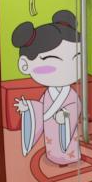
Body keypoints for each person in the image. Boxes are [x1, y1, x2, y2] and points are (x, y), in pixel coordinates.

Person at [12, 10, 82, 166]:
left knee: (69, 143)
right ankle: (54, 155)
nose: (68, 67)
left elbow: (75, 106)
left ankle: (70, 157)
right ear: (25, 65)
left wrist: (65, 116)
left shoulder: (70, 94)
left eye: (77, 58)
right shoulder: (49, 94)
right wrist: (28, 108)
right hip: (52, 129)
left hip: (64, 127)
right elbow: (40, 108)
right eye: (54, 59)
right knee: (52, 142)